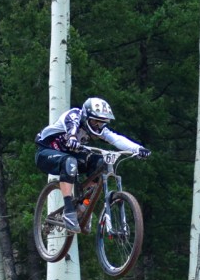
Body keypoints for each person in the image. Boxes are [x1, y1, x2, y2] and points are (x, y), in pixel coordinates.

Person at [35, 97, 151, 233]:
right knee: (69, 162)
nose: (98, 125)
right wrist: (72, 138)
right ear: (86, 116)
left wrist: (138, 149)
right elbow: (71, 127)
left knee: (100, 163)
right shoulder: (74, 116)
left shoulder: (100, 129)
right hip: (46, 152)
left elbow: (117, 138)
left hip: (71, 154)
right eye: (96, 121)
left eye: (102, 123)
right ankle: (68, 210)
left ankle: (83, 206)